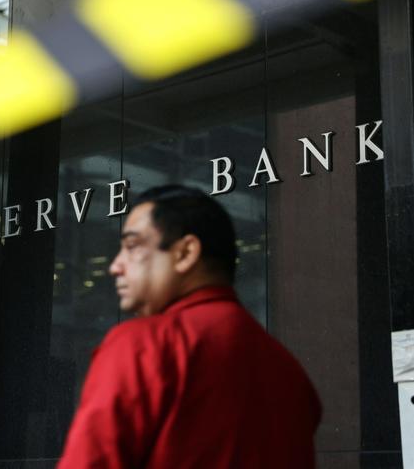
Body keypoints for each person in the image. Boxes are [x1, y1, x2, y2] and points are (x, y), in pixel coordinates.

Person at [57, 185, 321, 468]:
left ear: (185, 253)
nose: (115, 266)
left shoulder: (142, 346)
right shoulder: (289, 372)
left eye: (132, 246)